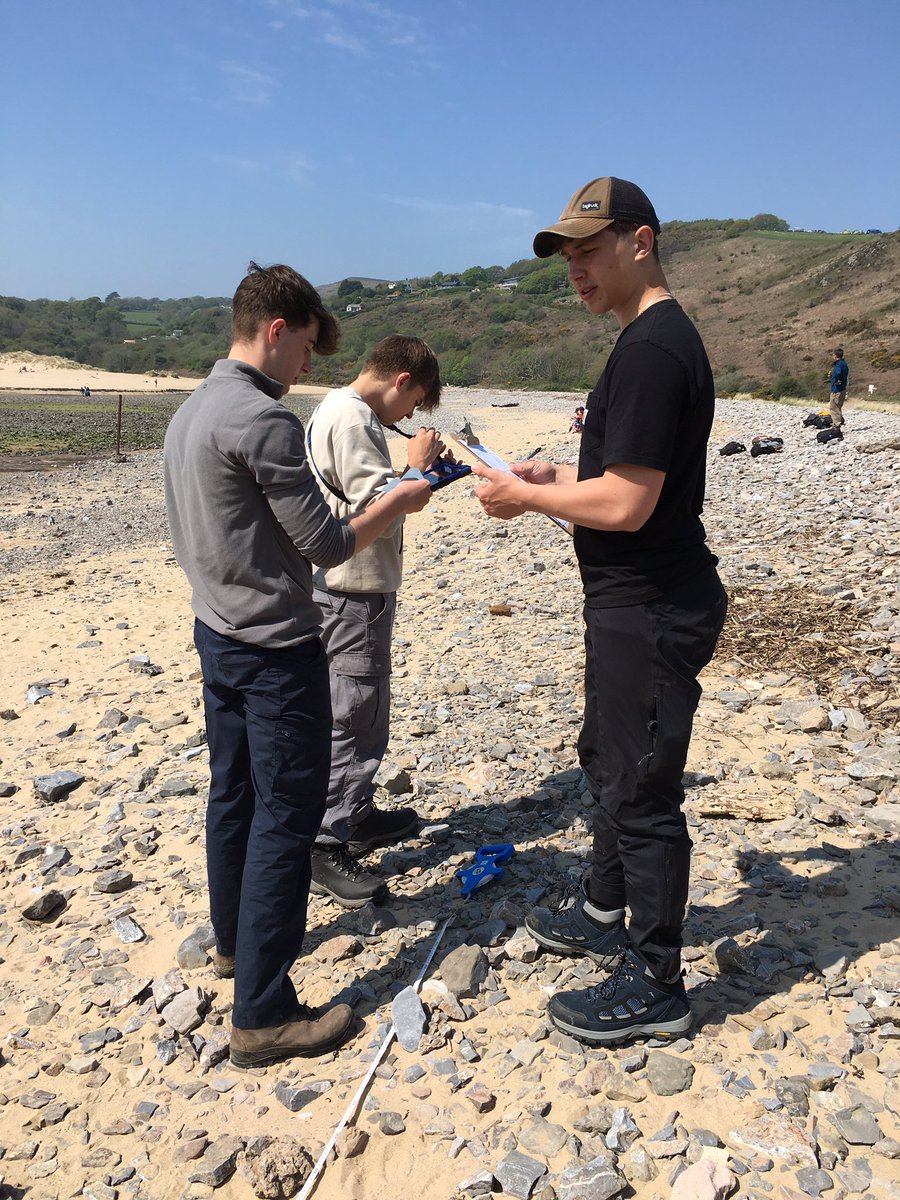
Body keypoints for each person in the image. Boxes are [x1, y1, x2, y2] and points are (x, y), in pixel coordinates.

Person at [472, 177, 727, 1045]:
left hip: (652, 604)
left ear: (640, 242)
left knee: (643, 784)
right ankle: (605, 904)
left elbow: (628, 505)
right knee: (608, 758)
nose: (574, 269)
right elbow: (622, 478)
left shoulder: (655, 350)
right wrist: (551, 480)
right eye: (567, 256)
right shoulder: (637, 343)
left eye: (588, 249)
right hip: (627, 602)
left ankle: (657, 981)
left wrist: (526, 499)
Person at [163, 263, 431, 1067]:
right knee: (286, 816)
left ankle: (233, 948)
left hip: (216, 633)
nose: (308, 368)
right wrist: (405, 492)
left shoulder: (190, 413)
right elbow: (328, 543)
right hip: (276, 649)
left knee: (232, 796)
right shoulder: (261, 419)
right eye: (306, 348)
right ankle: (264, 1013)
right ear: (275, 330)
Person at [306, 336, 444, 906]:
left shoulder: (336, 409)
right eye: (414, 404)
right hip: (355, 589)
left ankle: (354, 815)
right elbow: (375, 509)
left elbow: (361, 496)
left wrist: (426, 478)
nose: (409, 417)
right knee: (357, 712)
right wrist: (417, 471)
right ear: (401, 380)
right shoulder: (354, 418)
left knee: (354, 706)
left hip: (344, 586)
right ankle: (326, 839)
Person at [828, 347, 849, 428]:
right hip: (842, 388)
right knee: (838, 406)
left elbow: (838, 373)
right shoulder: (844, 364)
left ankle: (837, 424)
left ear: (835, 356)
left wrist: (836, 379)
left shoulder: (839, 365)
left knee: (834, 407)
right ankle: (840, 420)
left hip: (837, 389)